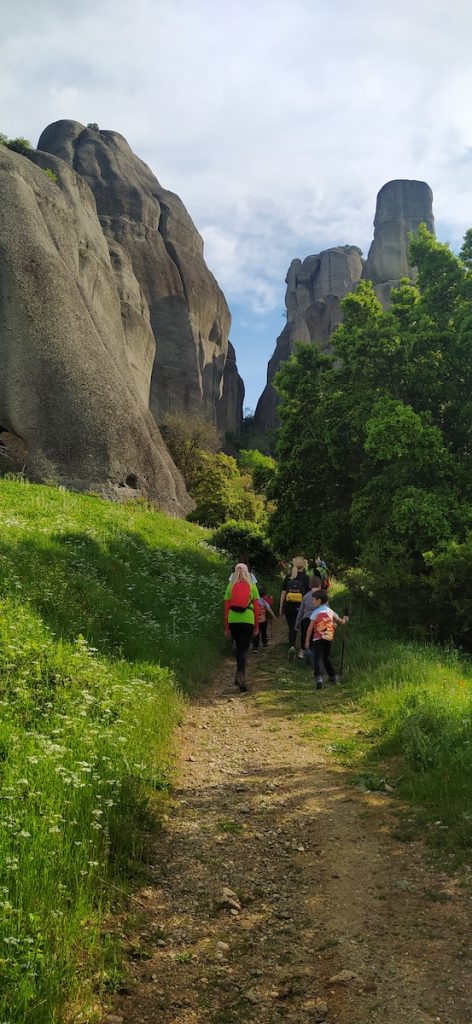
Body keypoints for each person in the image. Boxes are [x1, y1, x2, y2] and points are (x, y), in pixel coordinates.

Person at [224, 563, 259, 692]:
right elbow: (256, 608)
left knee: (239, 646)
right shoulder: (252, 586)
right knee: (244, 649)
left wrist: (227, 627)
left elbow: (226, 609)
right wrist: (256, 626)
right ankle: (240, 674)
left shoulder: (230, 586)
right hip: (247, 620)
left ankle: (239, 672)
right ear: (247, 572)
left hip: (233, 620)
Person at [305, 590, 349, 688]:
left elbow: (310, 628)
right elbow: (341, 622)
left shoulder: (315, 612)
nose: (312, 601)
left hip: (318, 638)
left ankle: (319, 678)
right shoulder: (330, 611)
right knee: (326, 657)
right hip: (329, 638)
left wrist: (307, 641)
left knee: (317, 658)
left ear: (319, 600)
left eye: (313, 599)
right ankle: (333, 676)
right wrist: (345, 618)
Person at [279, 556, 311, 660]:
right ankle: (302, 650)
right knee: (304, 628)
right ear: (303, 565)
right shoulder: (306, 578)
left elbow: (283, 593)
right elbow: (309, 595)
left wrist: (281, 607)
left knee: (292, 627)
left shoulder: (289, 577)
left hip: (289, 606)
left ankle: (292, 647)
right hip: (302, 607)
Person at [295, 575, 322, 659]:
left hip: (306, 620)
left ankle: (302, 651)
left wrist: (297, 623)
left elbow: (301, 610)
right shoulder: (323, 596)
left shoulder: (306, 596)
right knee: (316, 637)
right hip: (318, 620)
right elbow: (327, 610)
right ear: (320, 585)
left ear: (310, 586)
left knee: (304, 635)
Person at [252, 587, 277, 651]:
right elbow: (269, 609)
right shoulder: (264, 601)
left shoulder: (253, 601)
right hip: (263, 620)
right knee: (264, 632)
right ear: (264, 594)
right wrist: (274, 617)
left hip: (255, 620)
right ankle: (264, 643)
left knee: (256, 633)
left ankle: (255, 647)